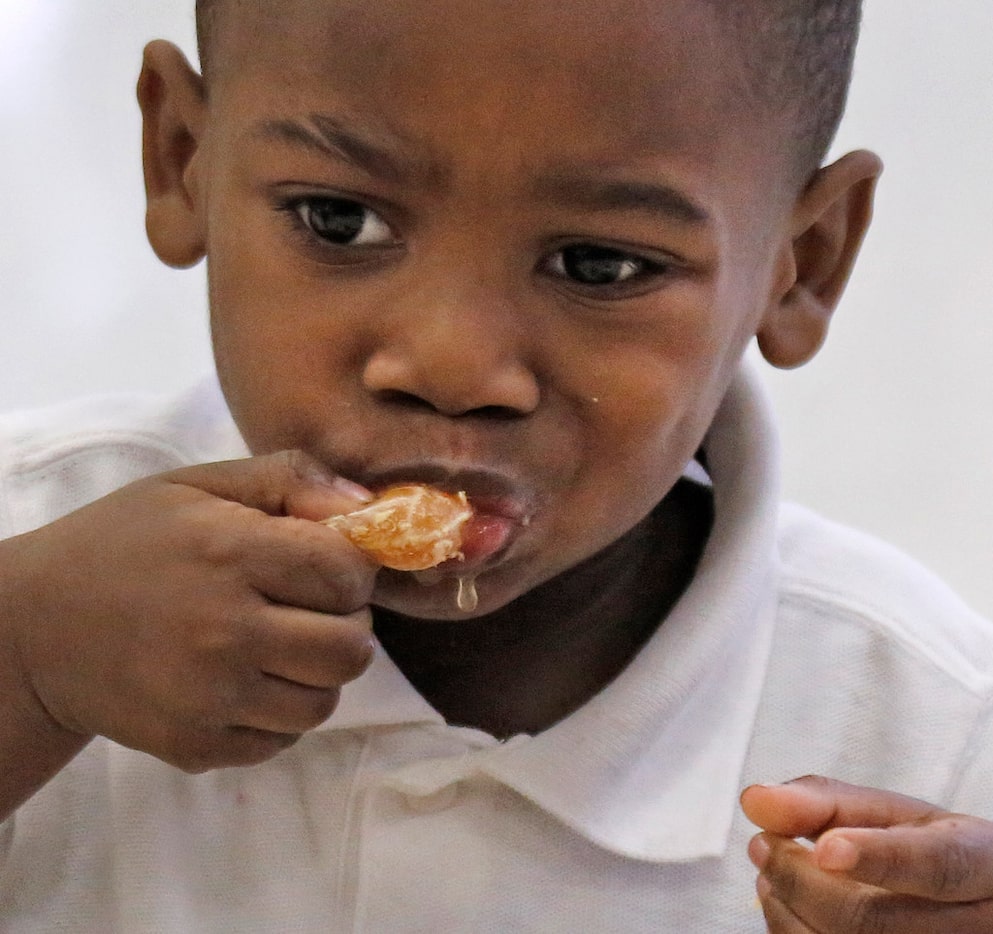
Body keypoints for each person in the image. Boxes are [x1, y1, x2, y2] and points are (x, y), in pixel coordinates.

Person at [1, 0, 991, 930]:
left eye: (599, 265)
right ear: (183, 157)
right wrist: (30, 670)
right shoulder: (28, 548)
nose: (452, 366)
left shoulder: (931, 751)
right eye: (338, 220)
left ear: (805, 260)